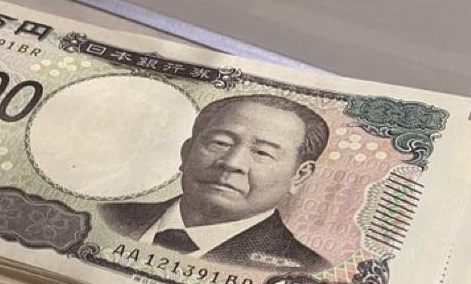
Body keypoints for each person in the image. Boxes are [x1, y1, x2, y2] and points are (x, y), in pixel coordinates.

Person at [104, 93, 331, 270]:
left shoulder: (305, 268)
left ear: (299, 176)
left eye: (262, 153)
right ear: (186, 153)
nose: (232, 163)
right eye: (220, 143)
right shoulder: (107, 216)